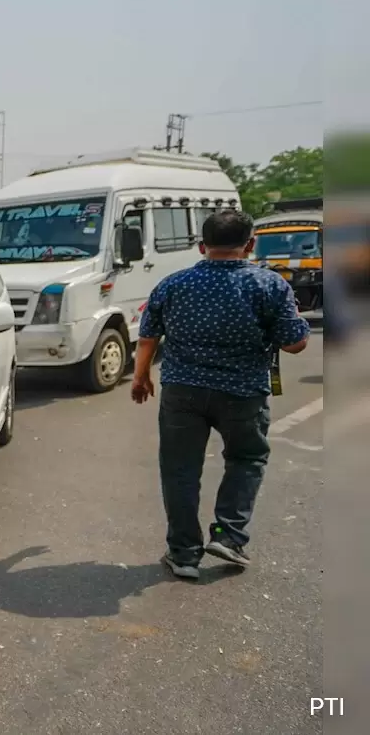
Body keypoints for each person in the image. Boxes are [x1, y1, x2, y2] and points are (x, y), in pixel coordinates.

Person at [131, 210, 310, 580]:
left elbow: (148, 335)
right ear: (250, 244)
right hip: (243, 393)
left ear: (202, 245)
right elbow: (295, 344)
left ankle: (183, 554)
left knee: (179, 472)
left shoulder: (172, 284)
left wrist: (140, 377)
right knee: (246, 460)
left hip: (182, 391)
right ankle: (228, 536)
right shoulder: (270, 285)